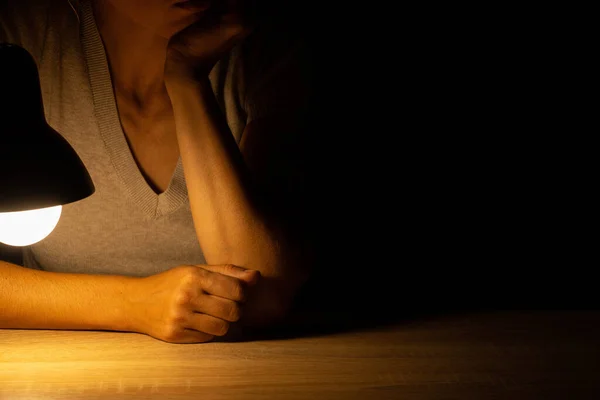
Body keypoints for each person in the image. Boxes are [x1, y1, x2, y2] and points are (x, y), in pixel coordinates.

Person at [0, 0, 313, 343]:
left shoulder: (264, 55)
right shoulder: (22, 38)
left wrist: (187, 80)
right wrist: (135, 303)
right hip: (59, 367)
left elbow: (264, 296)